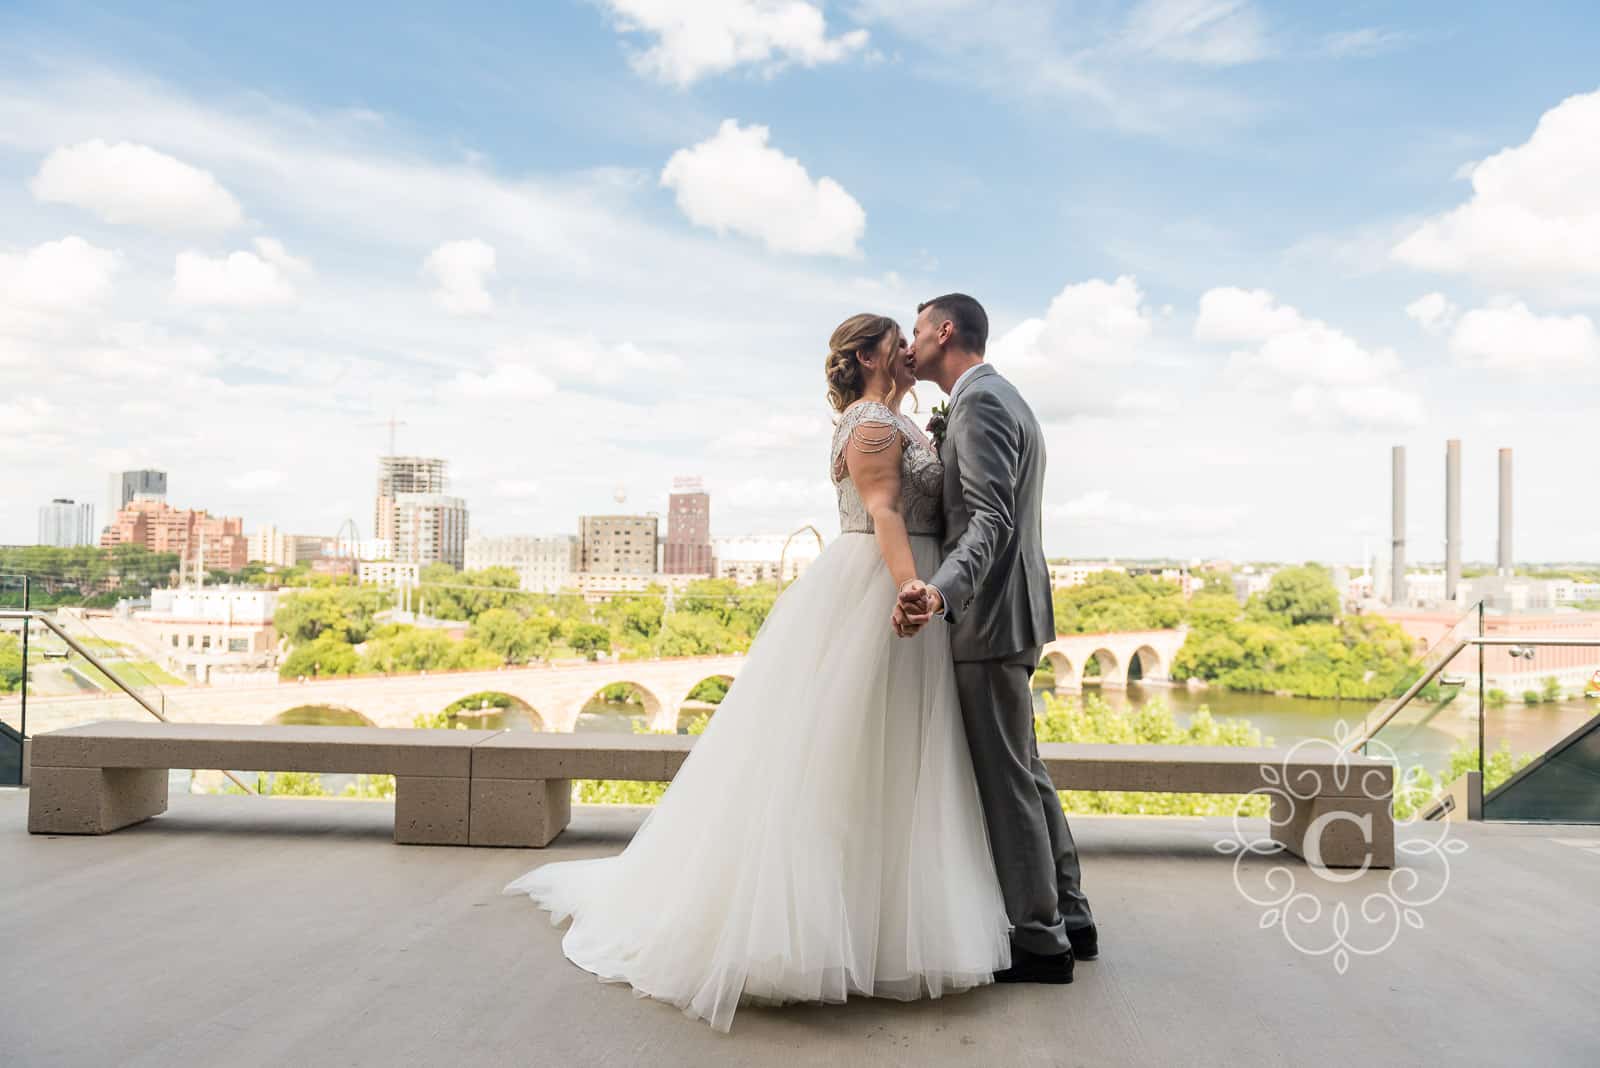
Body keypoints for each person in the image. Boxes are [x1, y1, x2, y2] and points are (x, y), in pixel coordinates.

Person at [504, 312, 1010, 1032]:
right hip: (881, 584)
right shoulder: (870, 423)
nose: (907, 351)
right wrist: (910, 592)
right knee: (845, 756)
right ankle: (814, 935)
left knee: (894, 760)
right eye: (896, 341)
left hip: (912, 585)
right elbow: (885, 510)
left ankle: (880, 929)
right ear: (868, 356)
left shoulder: (901, 421)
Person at [896, 293, 1097, 984]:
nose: (911, 341)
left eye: (917, 329)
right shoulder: (1000, 395)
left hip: (987, 618)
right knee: (1027, 771)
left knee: (1007, 781)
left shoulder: (979, 403)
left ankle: (1041, 941)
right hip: (1015, 612)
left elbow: (988, 519)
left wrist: (942, 592)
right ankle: (1071, 915)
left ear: (944, 331)